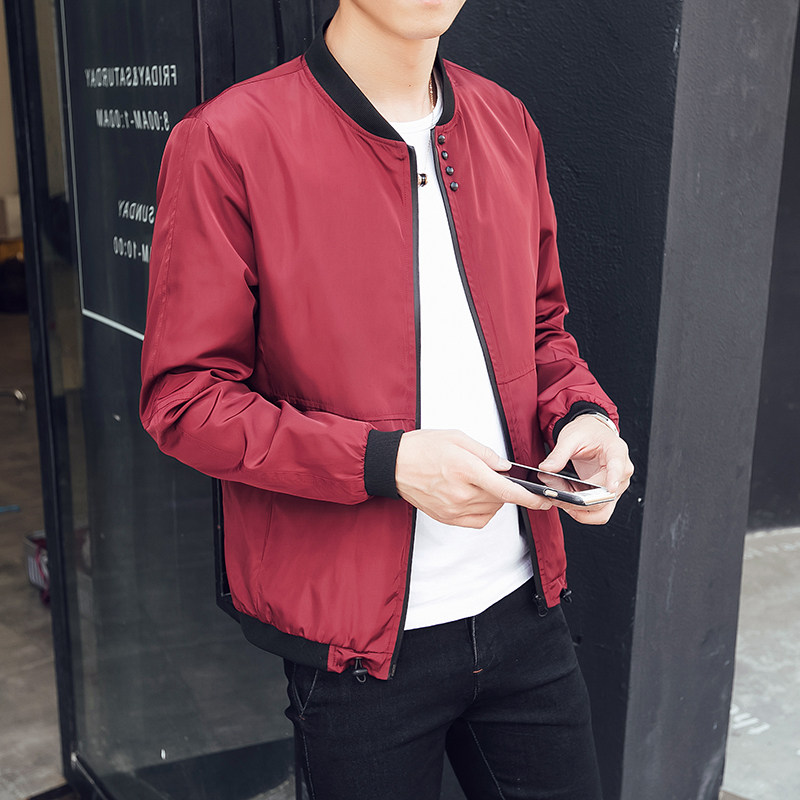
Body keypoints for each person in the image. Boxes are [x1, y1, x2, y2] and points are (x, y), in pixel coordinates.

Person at [140, 1, 634, 797]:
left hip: (526, 609)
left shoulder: (505, 121)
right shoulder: (229, 141)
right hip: (358, 654)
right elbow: (186, 400)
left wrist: (583, 416)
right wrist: (386, 463)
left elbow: (543, 329)